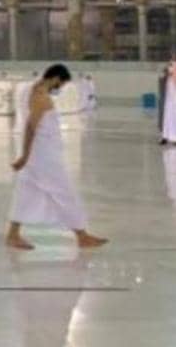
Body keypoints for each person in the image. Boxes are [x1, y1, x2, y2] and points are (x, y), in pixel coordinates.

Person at [6, 64, 107, 251]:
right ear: (55, 78)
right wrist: (25, 156)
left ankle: (13, 234)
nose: (59, 88)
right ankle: (82, 236)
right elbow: (31, 127)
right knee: (64, 192)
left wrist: (26, 156)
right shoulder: (41, 97)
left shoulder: (29, 89)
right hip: (43, 156)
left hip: (41, 153)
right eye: (61, 84)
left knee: (27, 191)